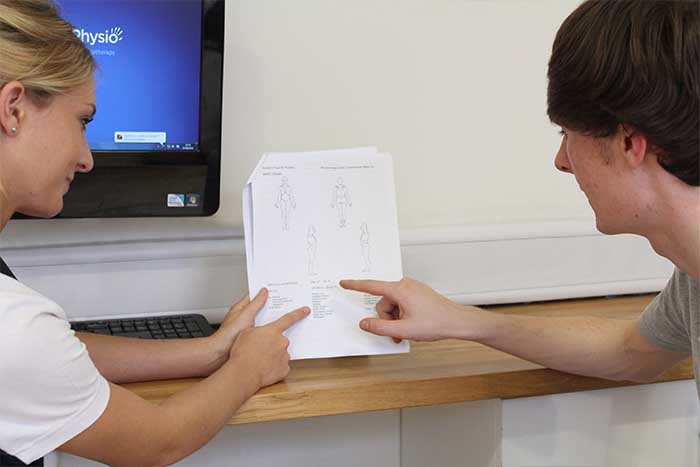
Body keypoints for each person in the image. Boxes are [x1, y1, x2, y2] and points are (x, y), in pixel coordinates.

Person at [0, 1, 308, 465]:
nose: (86, 158)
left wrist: (211, 350)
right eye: (82, 121)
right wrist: (248, 368)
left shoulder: (21, 333)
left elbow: (56, 355)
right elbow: (157, 440)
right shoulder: (13, 327)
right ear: (13, 109)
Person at [342, 0, 700, 397]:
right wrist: (463, 321)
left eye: (566, 135)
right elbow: (632, 351)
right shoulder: (692, 277)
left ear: (629, 142)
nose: (562, 162)